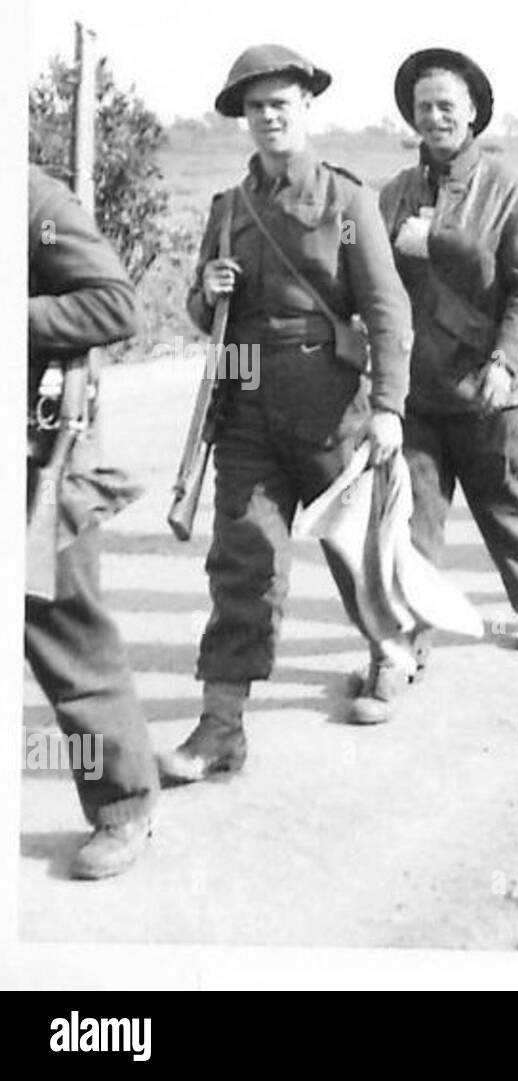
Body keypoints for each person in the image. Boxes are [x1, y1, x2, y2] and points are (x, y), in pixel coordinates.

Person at [158, 43, 414, 775]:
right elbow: (197, 311)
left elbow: (387, 310)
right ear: (242, 117)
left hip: (332, 405)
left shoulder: (348, 200)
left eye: (282, 104)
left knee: (354, 547)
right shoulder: (228, 209)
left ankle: (388, 650)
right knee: (243, 559)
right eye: (256, 107)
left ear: (305, 108)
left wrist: (390, 406)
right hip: (246, 413)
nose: (269, 117)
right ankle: (221, 723)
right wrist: (207, 288)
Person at [380, 47, 518, 659]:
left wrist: (506, 362)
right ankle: (408, 639)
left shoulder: (509, 191)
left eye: (447, 106)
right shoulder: (395, 193)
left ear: (474, 112)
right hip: (418, 390)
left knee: (501, 503)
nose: (434, 118)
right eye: (423, 107)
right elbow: (372, 279)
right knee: (412, 521)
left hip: (489, 387)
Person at [27, 164, 159, 878]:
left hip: (31, 457)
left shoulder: (36, 201)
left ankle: (124, 803)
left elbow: (115, 306)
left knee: (64, 634)